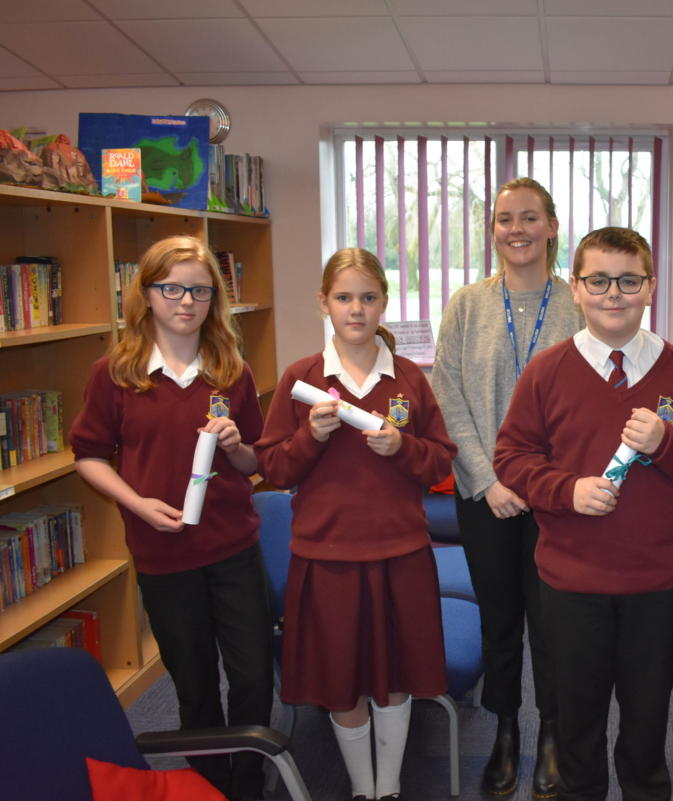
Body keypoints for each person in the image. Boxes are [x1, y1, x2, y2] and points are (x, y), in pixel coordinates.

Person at [494, 227, 673, 801]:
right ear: (575, 288)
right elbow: (511, 457)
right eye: (597, 280)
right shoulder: (547, 371)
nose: (613, 293)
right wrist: (565, 491)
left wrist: (666, 442)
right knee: (578, 726)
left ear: (650, 286)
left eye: (628, 280)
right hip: (572, 585)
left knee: (647, 725)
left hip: (657, 582)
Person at [69, 235, 273, 800]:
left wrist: (236, 446)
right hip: (163, 554)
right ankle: (210, 787)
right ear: (147, 293)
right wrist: (136, 504)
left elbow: (256, 461)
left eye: (200, 291)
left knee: (254, 675)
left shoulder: (232, 370)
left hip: (233, 547)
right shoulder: (116, 372)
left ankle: (250, 783)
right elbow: (88, 455)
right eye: (172, 289)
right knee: (194, 682)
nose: (186, 301)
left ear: (214, 299)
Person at [255, 248, 456, 801]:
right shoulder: (301, 379)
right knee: (342, 683)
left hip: (400, 553)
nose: (356, 309)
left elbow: (441, 460)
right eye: (344, 297)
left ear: (384, 303)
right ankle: (361, 788)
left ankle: (389, 786)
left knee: (395, 679)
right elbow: (273, 467)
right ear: (324, 303)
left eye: (368, 298)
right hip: (328, 558)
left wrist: (401, 447)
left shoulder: (409, 378)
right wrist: (310, 438)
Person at [432, 176, 583, 798]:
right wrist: (489, 479)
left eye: (528, 217)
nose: (516, 229)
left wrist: (548, 484)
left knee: (552, 624)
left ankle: (551, 731)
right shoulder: (467, 305)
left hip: (556, 501)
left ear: (552, 227)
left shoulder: (580, 303)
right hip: (486, 496)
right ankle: (505, 729)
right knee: (499, 621)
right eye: (504, 219)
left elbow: (591, 406)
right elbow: (448, 396)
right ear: (492, 230)